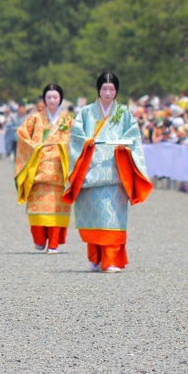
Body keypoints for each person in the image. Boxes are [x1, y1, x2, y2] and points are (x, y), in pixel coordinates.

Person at [63, 71, 152, 273]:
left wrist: (125, 147)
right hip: (90, 172)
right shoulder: (86, 113)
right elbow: (76, 137)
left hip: (114, 172)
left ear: (117, 91)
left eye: (112, 89)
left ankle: (110, 260)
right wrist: (87, 144)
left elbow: (133, 137)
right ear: (98, 89)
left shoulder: (123, 113)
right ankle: (95, 258)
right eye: (104, 88)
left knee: (112, 218)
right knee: (93, 217)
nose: (108, 92)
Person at [15, 84, 74, 253]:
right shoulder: (35, 119)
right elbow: (22, 135)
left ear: (60, 99)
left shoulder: (68, 119)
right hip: (38, 166)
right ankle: (40, 239)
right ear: (44, 99)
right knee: (38, 208)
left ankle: (54, 243)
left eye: (55, 97)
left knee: (57, 208)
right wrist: (35, 147)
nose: (52, 100)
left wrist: (64, 146)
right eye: (49, 97)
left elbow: (76, 139)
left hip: (59, 166)